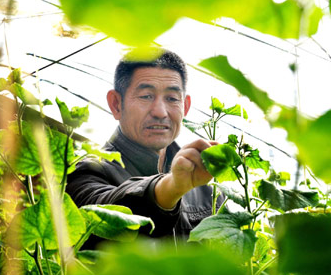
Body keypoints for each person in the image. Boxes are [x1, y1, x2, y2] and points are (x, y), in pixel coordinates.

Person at [67, 48, 221, 244]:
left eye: (172, 98)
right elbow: (104, 212)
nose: (160, 112)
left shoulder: (208, 187)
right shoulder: (86, 173)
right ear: (116, 104)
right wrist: (172, 186)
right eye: (146, 96)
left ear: (186, 106)